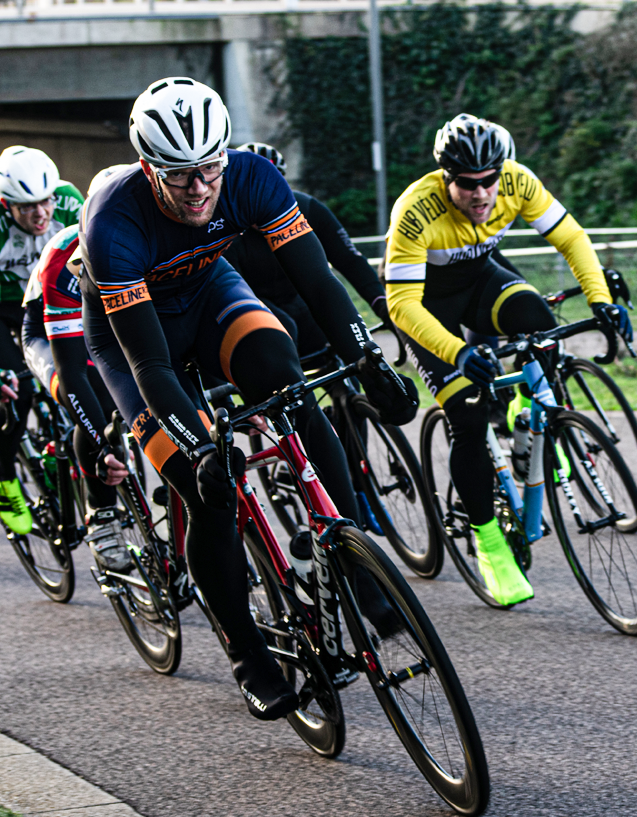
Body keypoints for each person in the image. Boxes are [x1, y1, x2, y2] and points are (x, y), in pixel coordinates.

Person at [78, 77, 417, 723]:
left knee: (288, 381)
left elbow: (317, 280)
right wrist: (203, 448)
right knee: (208, 488)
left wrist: (367, 361)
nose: (201, 188)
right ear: (148, 167)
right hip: (134, 342)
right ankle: (245, 650)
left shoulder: (253, 177)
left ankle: (352, 555)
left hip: (209, 296)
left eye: (210, 167)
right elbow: (150, 363)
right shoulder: (113, 223)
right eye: (179, 177)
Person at [383, 113, 629, 606]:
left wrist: (600, 299)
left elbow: (571, 237)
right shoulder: (416, 209)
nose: (481, 195)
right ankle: (490, 544)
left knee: (540, 323)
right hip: (428, 313)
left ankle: (527, 410)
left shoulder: (517, 182)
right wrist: (458, 351)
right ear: (446, 178)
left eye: (488, 182)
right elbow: (401, 305)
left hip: (480, 285)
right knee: (469, 418)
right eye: (467, 185)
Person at [0, 146, 84, 535]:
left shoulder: (70, 203)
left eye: (45, 203)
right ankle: (5, 474)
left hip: (44, 300)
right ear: (6, 204)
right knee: (17, 391)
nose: (40, 215)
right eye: (27, 208)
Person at [21, 166, 128, 568]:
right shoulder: (62, 258)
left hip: (112, 317)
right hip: (50, 332)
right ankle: (101, 517)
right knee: (98, 407)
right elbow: (73, 371)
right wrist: (101, 446)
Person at [226, 142, 389, 354]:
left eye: (268, 187)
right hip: (255, 303)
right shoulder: (225, 224)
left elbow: (350, 261)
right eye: (249, 190)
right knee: (282, 328)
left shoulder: (308, 208)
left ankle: (347, 386)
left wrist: (382, 304)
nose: (260, 198)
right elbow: (232, 290)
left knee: (334, 321)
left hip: (298, 300)